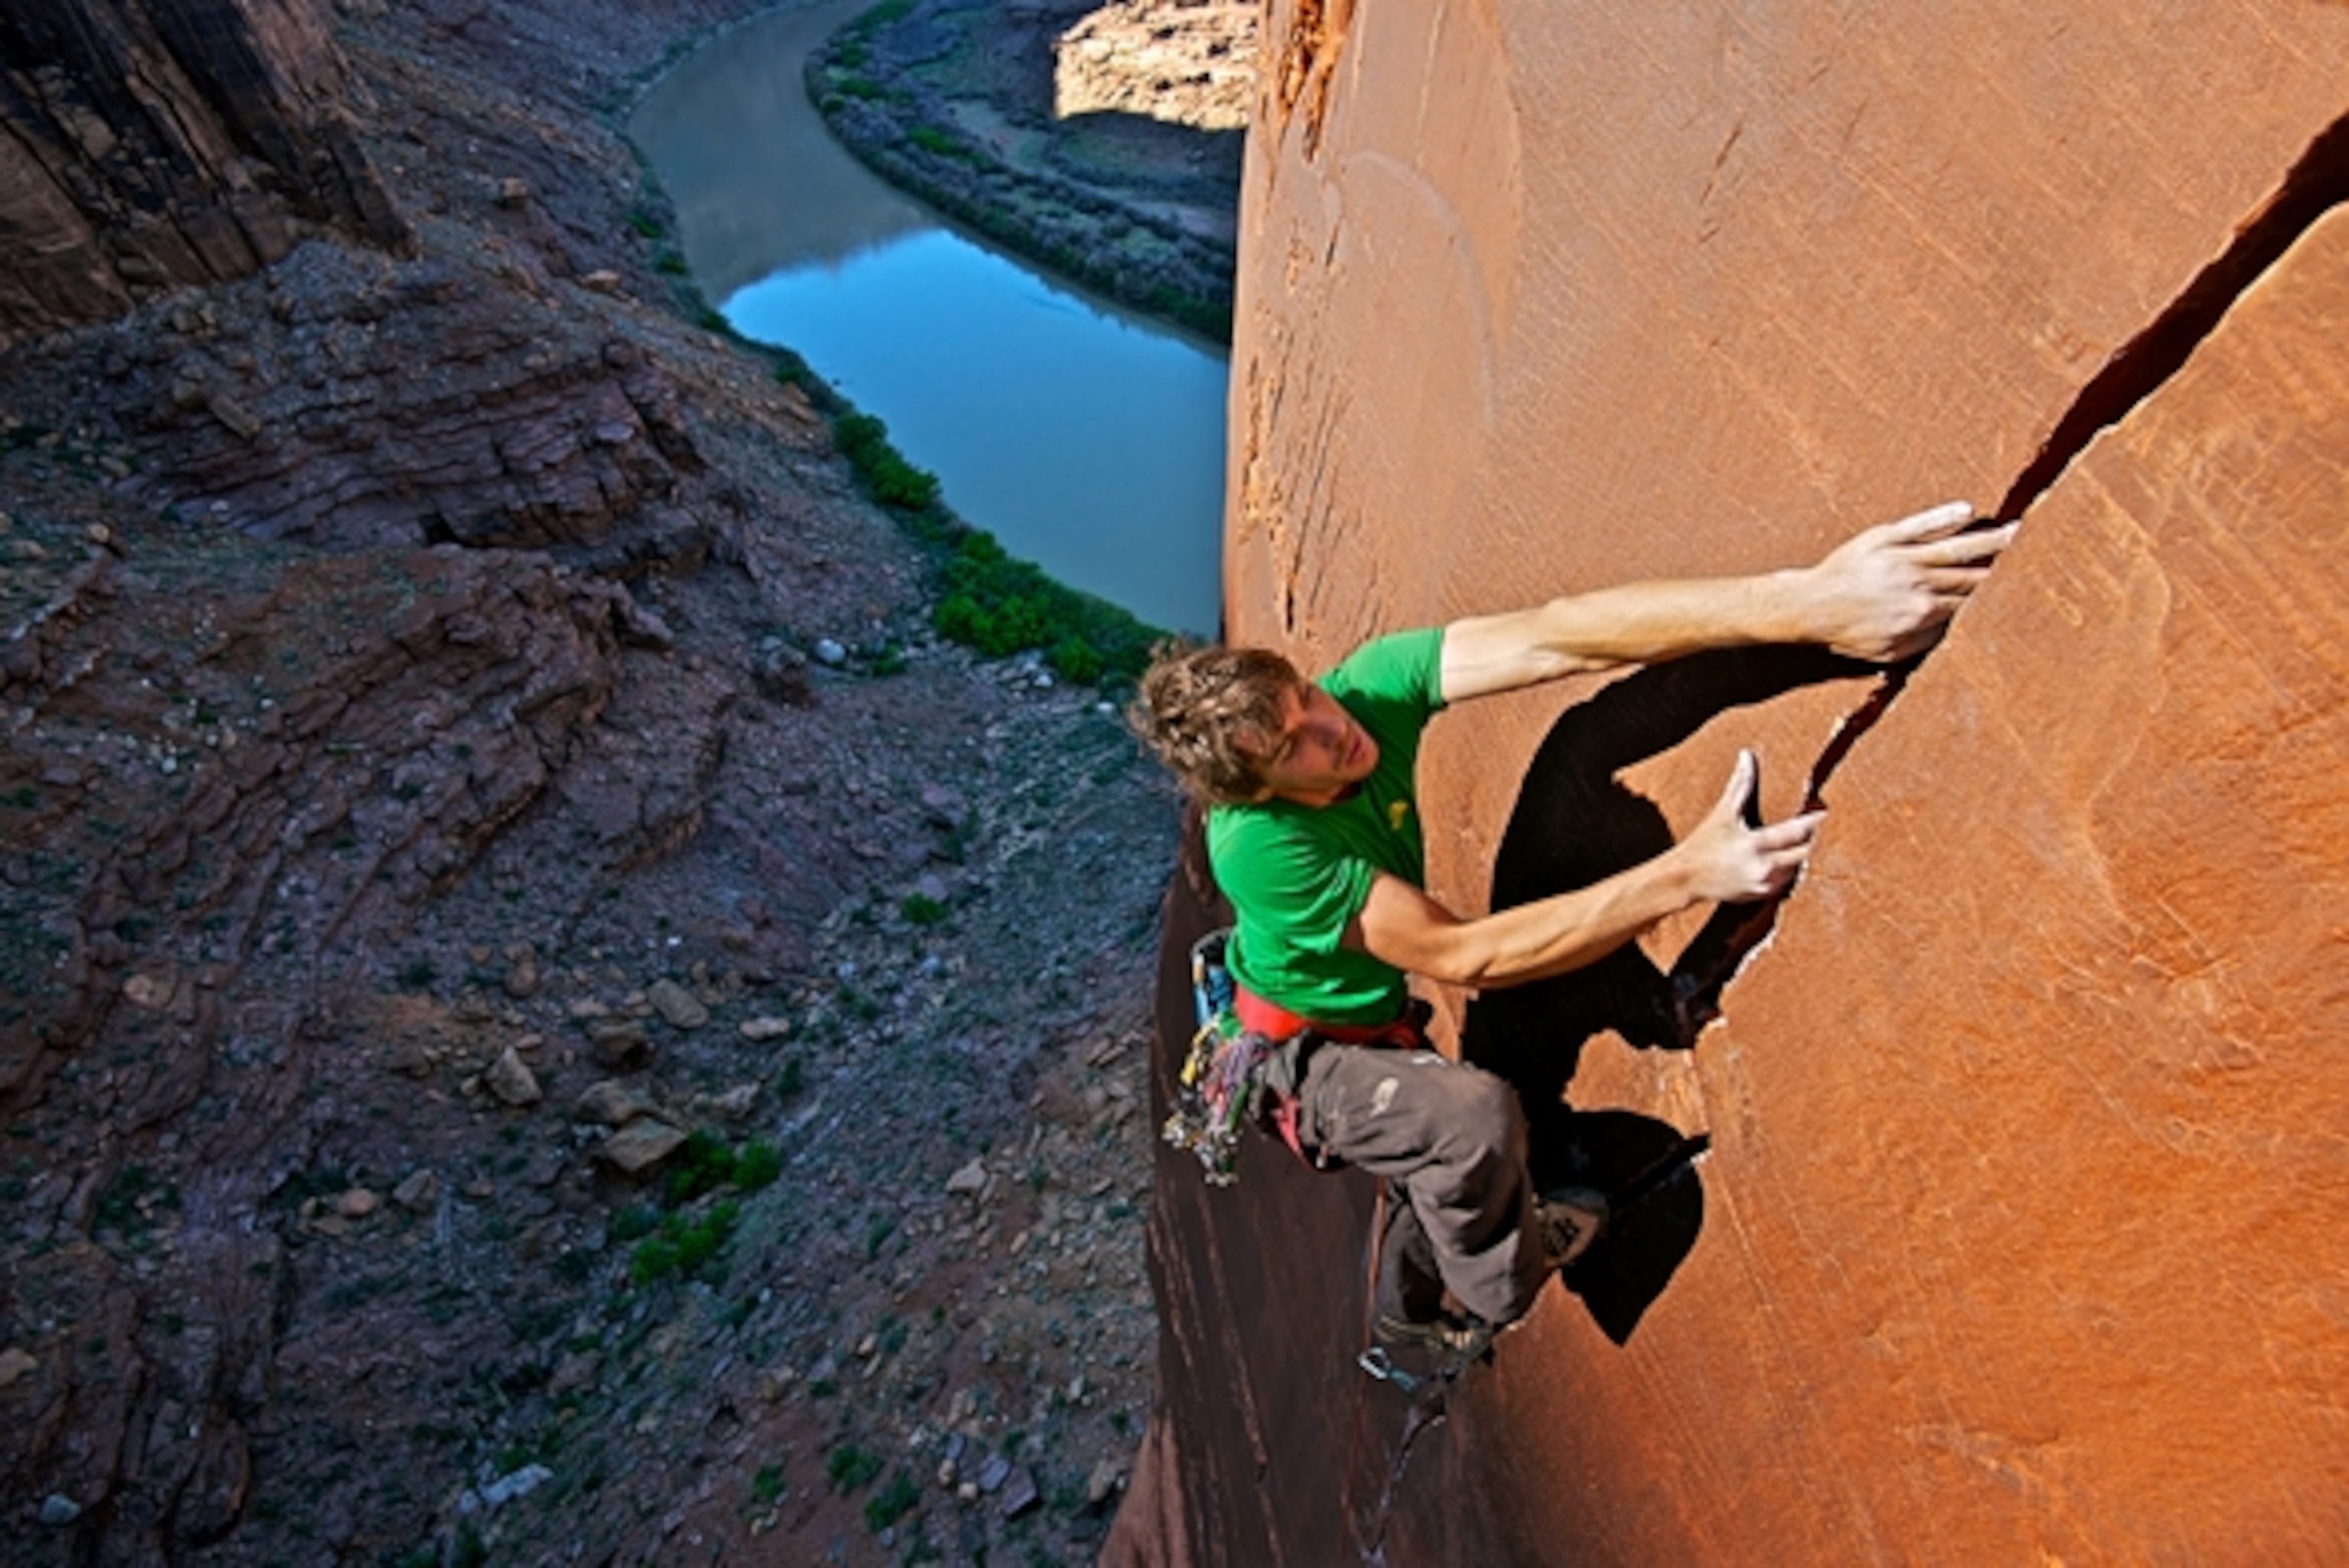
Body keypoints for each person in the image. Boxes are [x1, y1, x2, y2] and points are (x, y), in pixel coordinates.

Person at [1129, 501, 2016, 1351]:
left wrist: (1811, 599)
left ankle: (1401, 1301)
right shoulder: (1264, 849)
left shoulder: (1364, 690)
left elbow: (1560, 633)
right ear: (1260, 792)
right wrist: (1684, 873)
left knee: (1427, 1150)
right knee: (1470, 1119)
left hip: (1365, 1017)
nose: (1335, 726)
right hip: (1306, 1055)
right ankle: (1495, 1291)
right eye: (1296, 747)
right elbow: (1464, 953)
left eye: (1306, 696)